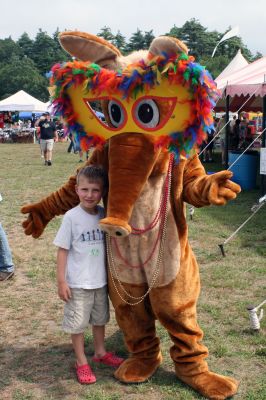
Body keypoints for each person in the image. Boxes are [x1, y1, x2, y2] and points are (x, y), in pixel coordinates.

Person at [53, 165, 123, 384]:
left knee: (100, 319)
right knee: (78, 324)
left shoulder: (103, 215)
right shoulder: (71, 217)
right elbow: (62, 250)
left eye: (95, 190)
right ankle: (81, 361)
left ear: (102, 192)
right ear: (76, 189)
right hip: (78, 284)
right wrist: (62, 281)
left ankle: (100, 352)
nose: (90, 195)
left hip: (100, 281)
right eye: (85, 189)